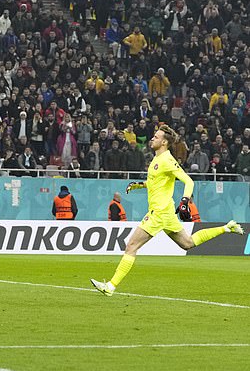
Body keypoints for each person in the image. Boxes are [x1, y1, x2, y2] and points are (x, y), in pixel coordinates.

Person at [91, 125, 244, 296]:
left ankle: (110, 286)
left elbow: (189, 182)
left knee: (131, 246)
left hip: (159, 212)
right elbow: (157, 182)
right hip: (167, 212)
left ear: (164, 142)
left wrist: (185, 200)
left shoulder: (167, 160)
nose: (152, 139)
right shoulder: (157, 160)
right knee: (188, 243)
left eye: (156, 137)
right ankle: (227, 228)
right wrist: (140, 185)